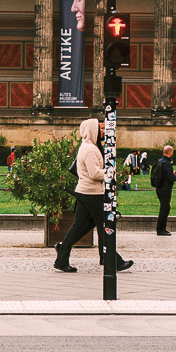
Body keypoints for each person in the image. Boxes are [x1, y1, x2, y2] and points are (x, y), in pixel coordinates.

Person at [53, 117, 130, 274]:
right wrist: (111, 173)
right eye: (100, 129)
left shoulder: (88, 147)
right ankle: (114, 261)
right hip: (92, 193)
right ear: (92, 130)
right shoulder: (90, 150)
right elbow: (94, 173)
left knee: (82, 225)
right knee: (104, 225)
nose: (103, 131)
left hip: (85, 192)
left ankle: (62, 254)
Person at [151, 143, 176, 236]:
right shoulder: (167, 164)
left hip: (159, 187)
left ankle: (161, 228)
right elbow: (171, 178)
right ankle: (161, 229)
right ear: (170, 152)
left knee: (164, 207)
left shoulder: (159, 162)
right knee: (165, 208)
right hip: (166, 188)